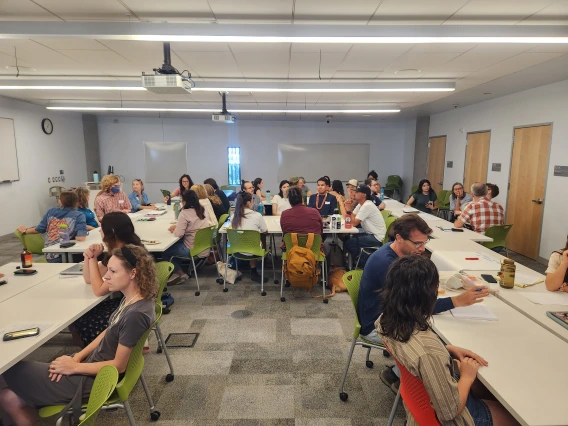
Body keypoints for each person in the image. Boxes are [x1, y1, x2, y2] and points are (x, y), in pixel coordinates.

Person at [0, 245, 157, 426]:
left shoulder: (135, 314)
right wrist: (77, 357)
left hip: (93, 380)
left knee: (8, 370)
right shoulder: (133, 299)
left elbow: (119, 367)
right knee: (9, 397)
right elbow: (109, 332)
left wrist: (73, 368)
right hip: (89, 367)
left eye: (113, 271)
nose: (106, 276)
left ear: (133, 273)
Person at [378, 255, 520, 426]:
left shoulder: (385, 320)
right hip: (456, 418)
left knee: (489, 390)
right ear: (428, 295)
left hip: (422, 406)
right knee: (518, 418)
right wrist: (466, 377)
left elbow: (417, 352)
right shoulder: (428, 354)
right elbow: (449, 412)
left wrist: (447, 348)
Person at [356, 214, 490, 390]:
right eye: (417, 243)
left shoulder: (395, 252)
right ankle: (407, 382)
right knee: (436, 346)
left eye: (424, 243)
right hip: (376, 326)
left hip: (390, 316)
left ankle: (397, 374)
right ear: (399, 238)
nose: (422, 249)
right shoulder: (387, 264)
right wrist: (457, 301)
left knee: (439, 338)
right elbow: (417, 307)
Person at [75, 212, 144, 346]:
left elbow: (99, 290)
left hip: (131, 308)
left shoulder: (124, 255)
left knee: (83, 318)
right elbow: (89, 279)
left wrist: (93, 258)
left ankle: (97, 353)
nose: (100, 231)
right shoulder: (121, 249)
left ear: (111, 232)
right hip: (131, 303)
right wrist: (88, 256)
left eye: (102, 228)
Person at [17, 191, 87, 263]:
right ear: (76, 202)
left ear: (61, 201)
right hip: (67, 255)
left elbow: (40, 229)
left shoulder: (50, 212)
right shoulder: (79, 215)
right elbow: (81, 237)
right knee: (92, 256)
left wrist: (25, 231)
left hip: (50, 254)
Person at [162, 189, 210, 284]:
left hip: (192, 249)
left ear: (184, 201)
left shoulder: (184, 213)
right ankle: (178, 268)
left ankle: (181, 274)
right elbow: (195, 226)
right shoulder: (203, 209)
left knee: (165, 252)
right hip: (204, 246)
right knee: (176, 245)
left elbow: (178, 234)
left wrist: (174, 229)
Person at [230, 192, 268, 284]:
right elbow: (265, 231)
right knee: (254, 242)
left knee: (249, 241)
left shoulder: (233, 217)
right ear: (248, 203)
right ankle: (253, 271)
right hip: (254, 250)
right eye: (251, 201)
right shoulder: (257, 216)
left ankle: (236, 268)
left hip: (237, 249)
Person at [343, 185, 387, 263]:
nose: (354, 194)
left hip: (376, 237)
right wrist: (349, 210)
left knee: (350, 243)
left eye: (357, 192)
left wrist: (348, 209)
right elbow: (352, 217)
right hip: (369, 233)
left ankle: (364, 262)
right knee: (346, 238)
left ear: (363, 195)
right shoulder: (361, 205)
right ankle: (349, 262)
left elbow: (353, 223)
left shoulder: (367, 205)